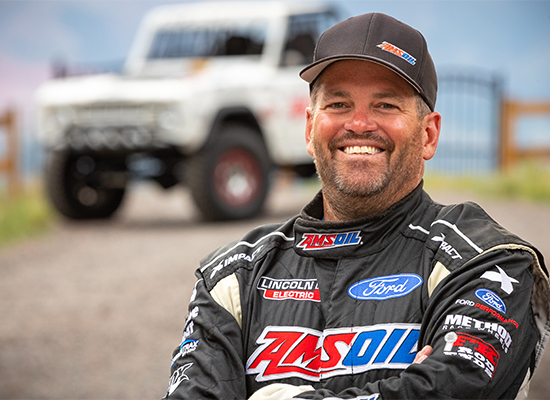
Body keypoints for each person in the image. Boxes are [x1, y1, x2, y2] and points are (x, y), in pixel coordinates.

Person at [163, 12, 550, 400]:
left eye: (385, 105)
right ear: (310, 129)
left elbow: (456, 389)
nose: (360, 124)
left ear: (429, 135)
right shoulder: (234, 275)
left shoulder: (484, 261)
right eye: (339, 103)